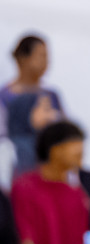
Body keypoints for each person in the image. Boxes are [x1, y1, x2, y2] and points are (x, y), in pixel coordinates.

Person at [1, 35, 65, 175]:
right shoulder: (5, 96)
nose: (46, 62)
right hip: (19, 170)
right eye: (41, 56)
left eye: (47, 57)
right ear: (24, 58)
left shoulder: (52, 95)